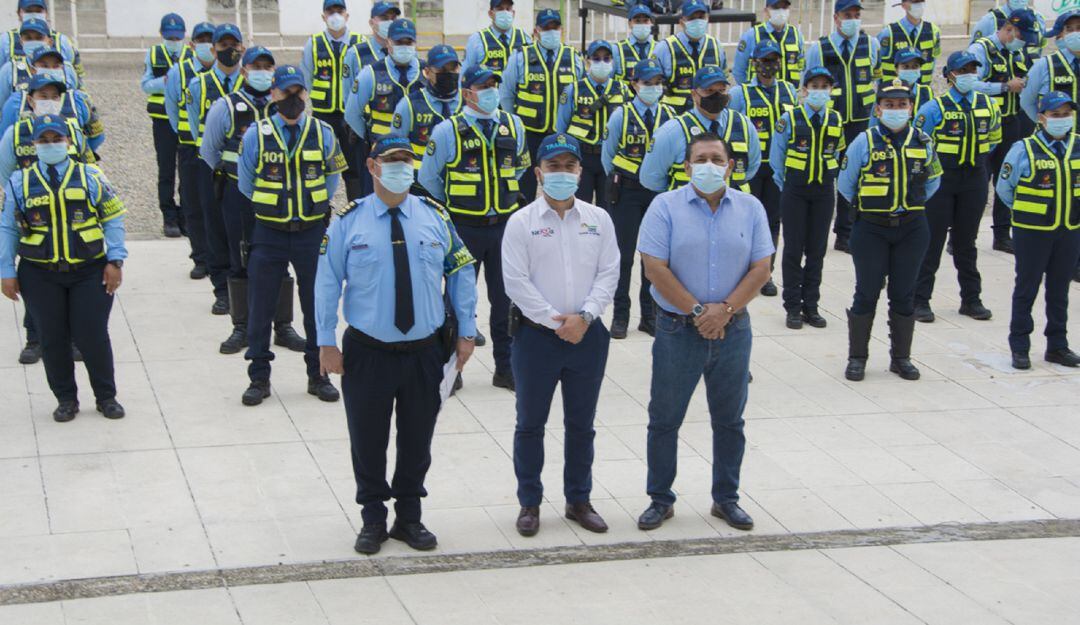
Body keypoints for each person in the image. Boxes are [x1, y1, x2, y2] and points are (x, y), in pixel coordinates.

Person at [315, 136, 478, 555]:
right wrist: (324, 341)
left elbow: (460, 270)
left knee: (417, 438)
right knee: (367, 438)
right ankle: (373, 517)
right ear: (372, 167)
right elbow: (327, 283)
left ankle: (409, 516)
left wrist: (466, 331)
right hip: (367, 351)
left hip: (424, 350)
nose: (401, 168)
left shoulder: (434, 217)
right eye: (392, 161)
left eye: (406, 161)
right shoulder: (349, 221)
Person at [635, 132, 773, 532]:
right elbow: (654, 268)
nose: (709, 165)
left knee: (730, 420)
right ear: (687, 166)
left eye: (717, 158)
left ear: (730, 165)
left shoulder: (750, 208)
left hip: (734, 329)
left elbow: (762, 267)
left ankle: (726, 499)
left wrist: (725, 310)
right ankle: (660, 499)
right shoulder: (664, 207)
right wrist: (699, 312)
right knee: (665, 419)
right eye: (701, 158)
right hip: (678, 328)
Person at [502, 133, 619, 537]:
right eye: (553, 167)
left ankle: (578, 499)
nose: (562, 174)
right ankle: (530, 502)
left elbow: (610, 273)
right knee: (530, 424)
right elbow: (515, 282)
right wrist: (557, 321)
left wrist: (584, 318)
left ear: (581, 172)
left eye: (570, 167)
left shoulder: (598, 220)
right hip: (536, 339)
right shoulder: (521, 223)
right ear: (538, 173)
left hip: (588, 335)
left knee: (581, 424)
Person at [0, 116, 127, 422]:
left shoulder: (91, 176)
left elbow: (113, 219)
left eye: (56, 139)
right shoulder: (19, 182)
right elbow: (8, 228)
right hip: (40, 273)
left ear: (69, 142)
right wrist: (7, 270)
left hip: (89, 270)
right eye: (43, 140)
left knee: (92, 334)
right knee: (51, 338)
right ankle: (66, 399)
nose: (50, 145)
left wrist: (115, 260)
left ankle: (106, 396)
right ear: (34, 145)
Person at [236, 65, 346, 406]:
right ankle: (259, 377)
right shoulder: (256, 134)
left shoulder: (324, 132)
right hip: (268, 232)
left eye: (299, 93)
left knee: (317, 306)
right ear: (273, 95)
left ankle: (318, 374)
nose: (293, 100)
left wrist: (312, 207)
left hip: (311, 232)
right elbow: (245, 183)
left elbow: (331, 179)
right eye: (286, 93)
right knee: (261, 308)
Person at [420, 64, 530, 390]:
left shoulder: (513, 125)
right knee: (456, 302)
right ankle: (452, 370)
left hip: (504, 227)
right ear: (467, 93)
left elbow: (521, 166)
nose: (491, 91)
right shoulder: (447, 131)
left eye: (494, 84)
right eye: (484, 86)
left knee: (505, 300)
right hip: (463, 228)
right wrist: (455, 206)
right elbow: (428, 178)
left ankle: (506, 368)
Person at [200, 46, 307, 357]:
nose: (262, 70)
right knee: (241, 256)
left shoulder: (286, 106)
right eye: (256, 65)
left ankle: (283, 326)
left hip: (279, 196)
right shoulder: (228, 106)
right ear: (244, 70)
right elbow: (210, 151)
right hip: (239, 194)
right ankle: (242, 326)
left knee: (280, 259)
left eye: (267, 66)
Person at [839, 79, 941, 382]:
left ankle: (901, 358)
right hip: (871, 228)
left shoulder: (923, 141)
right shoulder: (864, 142)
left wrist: (909, 205)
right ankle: (857, 358)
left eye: (901, 105)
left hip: (912, 228)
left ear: (910, 107)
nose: (896, 110)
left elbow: (934, 180)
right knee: (866, 292)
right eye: (889, 105)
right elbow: (846, 185)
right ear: (878, 108)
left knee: (904, 293)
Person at [1, 75, 92, 366]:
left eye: (54, 95)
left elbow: (87, 164)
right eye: (42, 95)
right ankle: (34, 337)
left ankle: (74, 338)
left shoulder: (74, 131)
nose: (48, 100)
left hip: (71, 216)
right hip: (33, 217)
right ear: (30, 99)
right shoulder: (16, 133)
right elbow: (5, 173)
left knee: (72, 278)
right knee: (36, 277)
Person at [913, 51, 1001, 324]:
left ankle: (971, 299)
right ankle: (920, 299)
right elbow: (918, 144)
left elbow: (995, 139)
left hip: (974, 178)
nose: (968, 76)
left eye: (973, 70)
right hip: (943, 180)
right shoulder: (933, 109)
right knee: (932, 241)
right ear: (950, 75)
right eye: (963, 71)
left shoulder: (989, 105)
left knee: (966, 242)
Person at [996, 91, 1080, 369]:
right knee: (1026, 288)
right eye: (1056, 115)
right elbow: (1004, 188)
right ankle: (1019, 345)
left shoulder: (1078, 146)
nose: (1062, 120)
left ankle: (1057, 345)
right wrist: (1025, 211)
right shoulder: (1024, 149)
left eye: (1066, 114)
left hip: (1068, 229)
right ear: (1042, 118)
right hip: (1032, 231)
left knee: (1059, 290)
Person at [768, 66, 845, 329]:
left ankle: (811, 305)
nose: (819, 91)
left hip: (823, 191)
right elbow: (777, 158)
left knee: (817, 250)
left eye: (825, 87)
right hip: (795, 190)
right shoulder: (789, 119)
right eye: (815, 86)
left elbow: (837, 154)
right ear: (804, 90)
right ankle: (792, 307)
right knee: (793, 249)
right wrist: (787, 185)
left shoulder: (835, 119)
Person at [602, 58, 673, 339]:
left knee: (652, 255)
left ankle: (649, 313)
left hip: (657, 192)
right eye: (647, 83)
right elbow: (608, 156)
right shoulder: (622, 114)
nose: (653, 88)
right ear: (634, 84)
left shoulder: (669, 115)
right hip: (627, 190)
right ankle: (621, 314)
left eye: (657, 83)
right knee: (624, 256)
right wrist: (622, 181)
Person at [804, 0, 881, 254]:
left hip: (861, 120)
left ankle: (847, 232)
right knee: (827, 175)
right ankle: (818, 231)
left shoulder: (871, 45)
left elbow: (876, 80)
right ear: (836, 18)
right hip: (830, 121)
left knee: (856, 175)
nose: (853, 20)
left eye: (857, 15)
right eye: (848, 15)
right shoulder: (820, 48)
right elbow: (808, 84)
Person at [729, 40, 796, 298]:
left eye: (773, 60)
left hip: (778, 168)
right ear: (754, 64)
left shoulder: (789, 91)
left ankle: (765, 272)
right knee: (744, 221)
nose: (769, 66)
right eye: (764, 61)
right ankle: (741, 272)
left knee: (772, 222)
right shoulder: (740, 94)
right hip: (749, 169)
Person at [970, 9, 1040, 255]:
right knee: (979, 179)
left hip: (1011, 122)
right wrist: (1003, 86)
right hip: (985, 123)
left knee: (1006, 176)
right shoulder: (981, 49)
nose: (1024, 42)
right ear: (1009, 30)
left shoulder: (1017, 51)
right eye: (1022, 36)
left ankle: (1001, 234)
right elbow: (970, 84)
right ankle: (959, 236)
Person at [187, 23, 245, 317]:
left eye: (234, 45)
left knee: (241, 228)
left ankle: (242, 285)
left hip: (244, 169)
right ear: (213, 50)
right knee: (215, 227)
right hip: (211, 166)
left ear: (242, 48)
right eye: (223, 46)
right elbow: (185, 120)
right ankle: (222, 290)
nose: (229, 51)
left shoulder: (248, 83)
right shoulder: (198, 85)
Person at [500, 8, 583, 202]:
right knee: (525, 187)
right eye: (546, 27)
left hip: (561, 135)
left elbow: (579, 94)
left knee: (562, 184)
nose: (551, 32)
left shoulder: (573, 57)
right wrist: (515, 126)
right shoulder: (520, 57)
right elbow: (506, 94)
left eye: (555, 27)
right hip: (529, 134)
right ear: (536, 31)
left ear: (561, 30)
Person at [639, 65, 760, 195]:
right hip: (687, 209)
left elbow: (751, 167)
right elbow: (650, 179)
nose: (716, 96)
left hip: (732, 208)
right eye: (709, 91)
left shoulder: (744, 124)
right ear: (694, 94)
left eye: (721, 90)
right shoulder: (672, 131)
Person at [344, 17, 421, 200]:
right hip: (382, 155)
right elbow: (352, 113)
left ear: (415, 43)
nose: (404, 46)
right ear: (388, 43)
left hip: (416, 158)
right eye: (399, 42)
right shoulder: (371, 74)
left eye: (408, 42)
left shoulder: (425, 74)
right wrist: (369, 138)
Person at [165, 20, 216, 281]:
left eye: (211, 39)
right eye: (202, 39)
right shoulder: (179, 72)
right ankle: (201, 258)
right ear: (192, 43)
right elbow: (173, 111)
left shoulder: (229, 72)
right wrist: (189, 137)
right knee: (193, 204)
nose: (206, 44)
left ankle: (221, 256)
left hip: (219, 152)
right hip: (190, 148)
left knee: (218, 205)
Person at [301, 0, 363, 202]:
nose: (335, 15)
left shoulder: (359, 42)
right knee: (319, 163)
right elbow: (307, 77)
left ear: (346, 15)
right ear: (323, 16)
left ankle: (354, 208)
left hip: (350, 116)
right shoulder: (314, 43)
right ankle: (322, 211)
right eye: (330, 11)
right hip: (322, 115)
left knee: (353, 166)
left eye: (339, 11)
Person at [556, 40, 629, 206]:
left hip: (610, 157)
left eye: (606, 58)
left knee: (608, 207)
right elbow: (561, 128)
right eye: (596, 59)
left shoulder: (622, 89)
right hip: (583, 157)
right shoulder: (573, 89)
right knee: (580, 206)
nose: (602, 63)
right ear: (587, 60)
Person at [389, 44, 462, 196]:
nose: (448, 74)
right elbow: (397, 150)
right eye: (442, 70)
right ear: (427, 72)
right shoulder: (410, 104)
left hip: (460, 189)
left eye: (453, 69)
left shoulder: (469, 102)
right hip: (419, 189)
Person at [142, 13, 190, 238]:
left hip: (185, 119)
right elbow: (145, 84)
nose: (173, 41)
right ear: (161, 35)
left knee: (187, 169)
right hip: (162, 120)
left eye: (177, 37)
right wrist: (165, 83)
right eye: (169, 37)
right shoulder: (154, 54)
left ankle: (186, 215)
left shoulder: (190, 55)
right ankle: (169, 216)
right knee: (167, 169)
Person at [653, 0, 726, 114]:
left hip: (708, 112)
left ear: (707, 19)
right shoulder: (664, 48)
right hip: (674, 114)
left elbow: (724, 81)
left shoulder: (716, 46)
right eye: (692, 18)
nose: (698, 21)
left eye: (701, 17)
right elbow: (652, 83)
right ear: (681, 22)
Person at [0, 17, 79, 105]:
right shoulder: (9, 70)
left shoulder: (67, 70)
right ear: (21, 41)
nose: (34, 42)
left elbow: (74, 101)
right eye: (28, 38)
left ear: (50, 41)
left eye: (39, 38)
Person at [732, 0, 803, 85]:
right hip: (758, 95)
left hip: (788, 95)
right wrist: (748, 92)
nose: (781, 11)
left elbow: (802, 66)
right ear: (766, 11)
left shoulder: (796, 34)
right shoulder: (752, 35)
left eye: (784, 7)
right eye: (776, 7)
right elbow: (739, 70)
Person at [0, 0, 79, 76]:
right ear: (19, 13)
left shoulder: (62, 41)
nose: (34, 15)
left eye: (38, 11)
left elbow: (76, 74)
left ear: (46, 13)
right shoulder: (5, 40)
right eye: (28, 11)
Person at [463, 0, 532, 78]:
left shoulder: (525, 38)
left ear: (513, 13)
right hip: (490, 89)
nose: (505, 12)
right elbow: (465, 72)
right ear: (490, 13)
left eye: (508, 9)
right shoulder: (477, 39)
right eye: (500, 9)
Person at [877, 0, 939, 86]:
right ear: (903, 5)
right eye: (914, 2)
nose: (919, 6)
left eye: (921, 2)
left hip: (922, 91)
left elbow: (934, 60)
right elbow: (877, 63)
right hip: (894, 93)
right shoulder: (888, 33)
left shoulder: (933, 31)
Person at [612, 3, 656, 84]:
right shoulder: (617, 49)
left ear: (651, 23)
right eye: (637, 21)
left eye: (645, 21)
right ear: (629, 24)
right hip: (626, 96)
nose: (642, 24)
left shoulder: (660, 48)